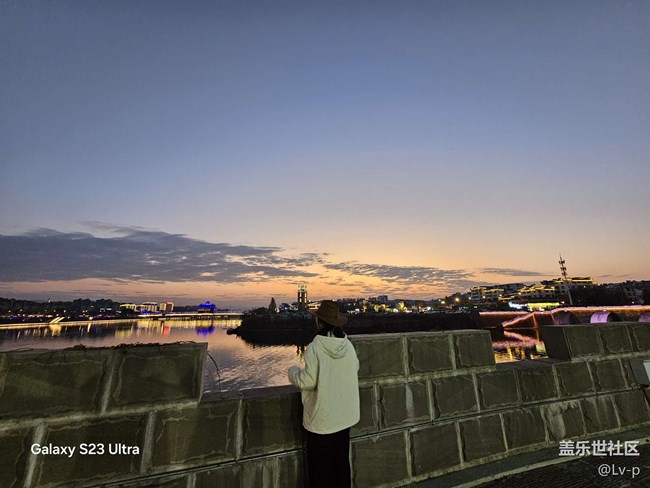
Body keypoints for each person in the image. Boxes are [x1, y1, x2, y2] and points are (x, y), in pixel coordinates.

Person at [288, 300, 360, 488]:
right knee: (341, 465)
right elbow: (355, 367)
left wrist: (292, 372)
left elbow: (308, 381)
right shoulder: (347, 345)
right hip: (344, 417)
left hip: (323, 420)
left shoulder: (315, 347)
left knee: (320, 470)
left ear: (319, 321)